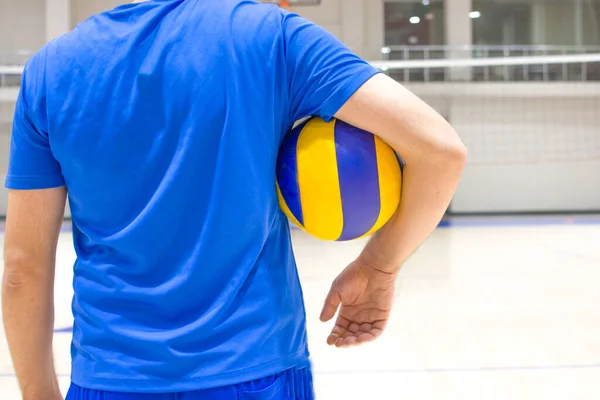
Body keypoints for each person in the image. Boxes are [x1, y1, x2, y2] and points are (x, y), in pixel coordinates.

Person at [1, 0, 466, 399]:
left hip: (112, 375)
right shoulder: (274, 39)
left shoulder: (51, 69)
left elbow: (23, 270)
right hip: (255, 368)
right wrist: (378, 266)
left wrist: (39, 392)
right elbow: (441, 152)